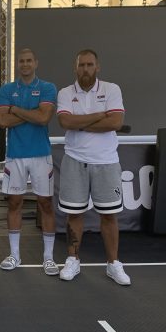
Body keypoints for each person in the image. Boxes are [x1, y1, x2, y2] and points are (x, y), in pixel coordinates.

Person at [56, 49, 131, 286]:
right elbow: (65, 121)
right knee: (74, 214)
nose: (85, 69)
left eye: (90, 65)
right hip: (74, 160)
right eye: (81, 65)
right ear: (75, 68)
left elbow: (116, 122)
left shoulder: (112, 89)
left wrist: (80, 123)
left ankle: (113, 264)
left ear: (97, 67)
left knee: (109, 216)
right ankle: (73, 260)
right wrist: (99, 116)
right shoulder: (65, 93)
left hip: (106, 161)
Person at [0, 49, 59, 275]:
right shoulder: (6, 90)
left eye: (29, 61)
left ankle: (48, 258)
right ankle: (15, 255)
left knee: (45, 204)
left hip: (41, 154)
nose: (25, 64)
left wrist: (15, 110)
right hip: (15, 155)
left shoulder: (48, 87)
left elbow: (43, 118)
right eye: (21, 61)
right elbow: (3, 121)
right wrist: (31, 113)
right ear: (17, 64)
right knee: (14, 203)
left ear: (36, 63)